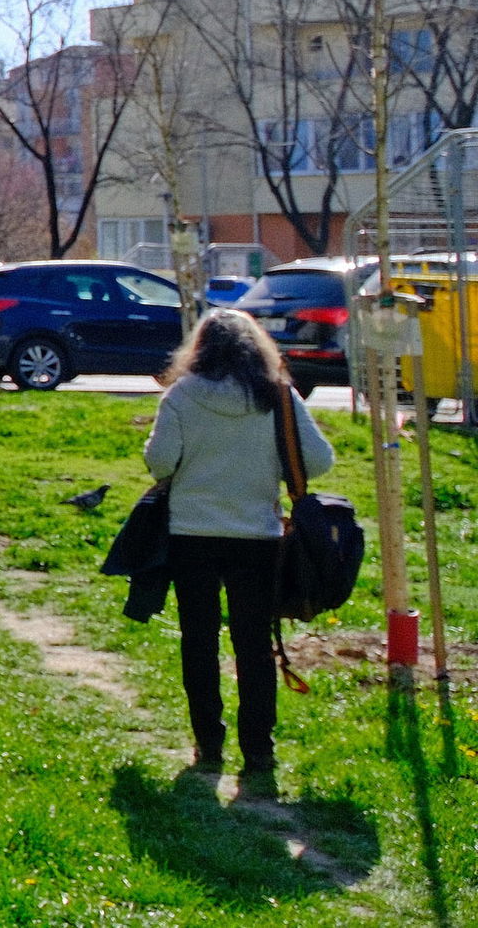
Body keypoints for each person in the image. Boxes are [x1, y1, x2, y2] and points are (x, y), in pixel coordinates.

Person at [143, 308, 334, 787]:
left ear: (200, 347)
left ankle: (208, 744)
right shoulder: (278, 396)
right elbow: (320, 460)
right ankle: (259, 751)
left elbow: (160, 462)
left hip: (192, 534)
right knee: (254, 646)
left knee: (199, 641)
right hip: (258, 536)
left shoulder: (182, 395)